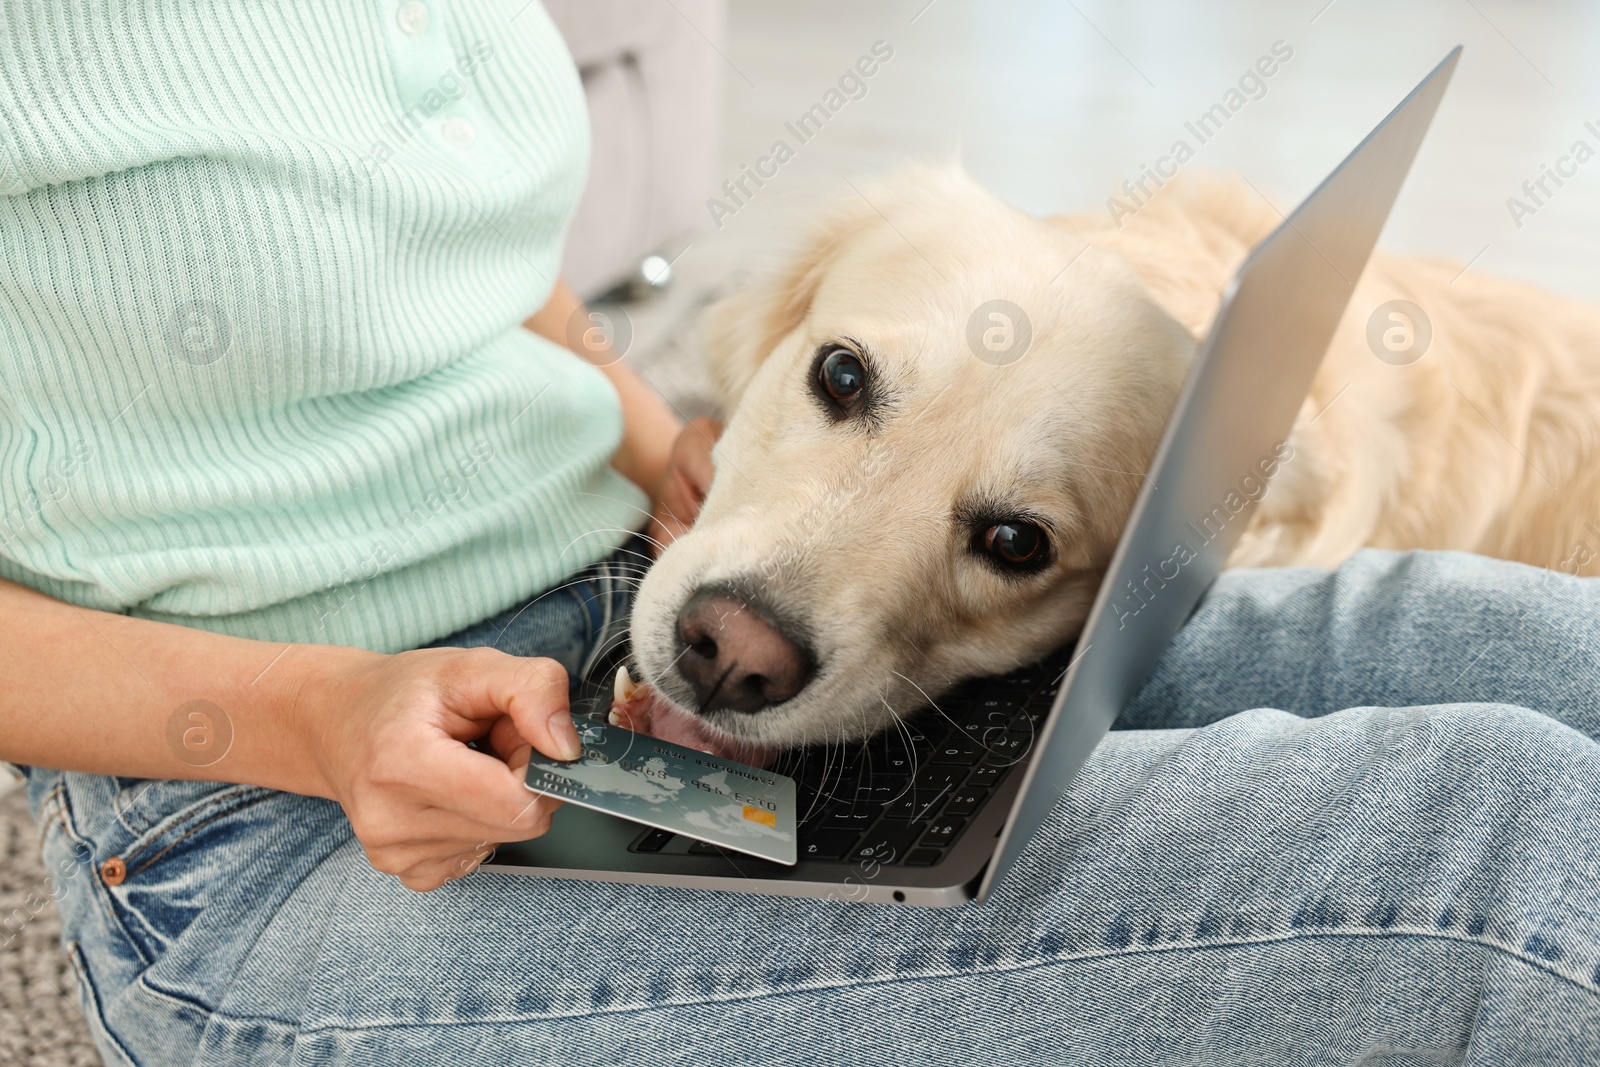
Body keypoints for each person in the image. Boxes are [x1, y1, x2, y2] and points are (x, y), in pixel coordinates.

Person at [4, 4, 1598, 1064]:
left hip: (615, 582)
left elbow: (468, 271)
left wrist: (667, 446)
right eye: (842, 379)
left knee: (1493, 646)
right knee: (1494, 833)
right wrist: (320, 717)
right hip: (278, 821)